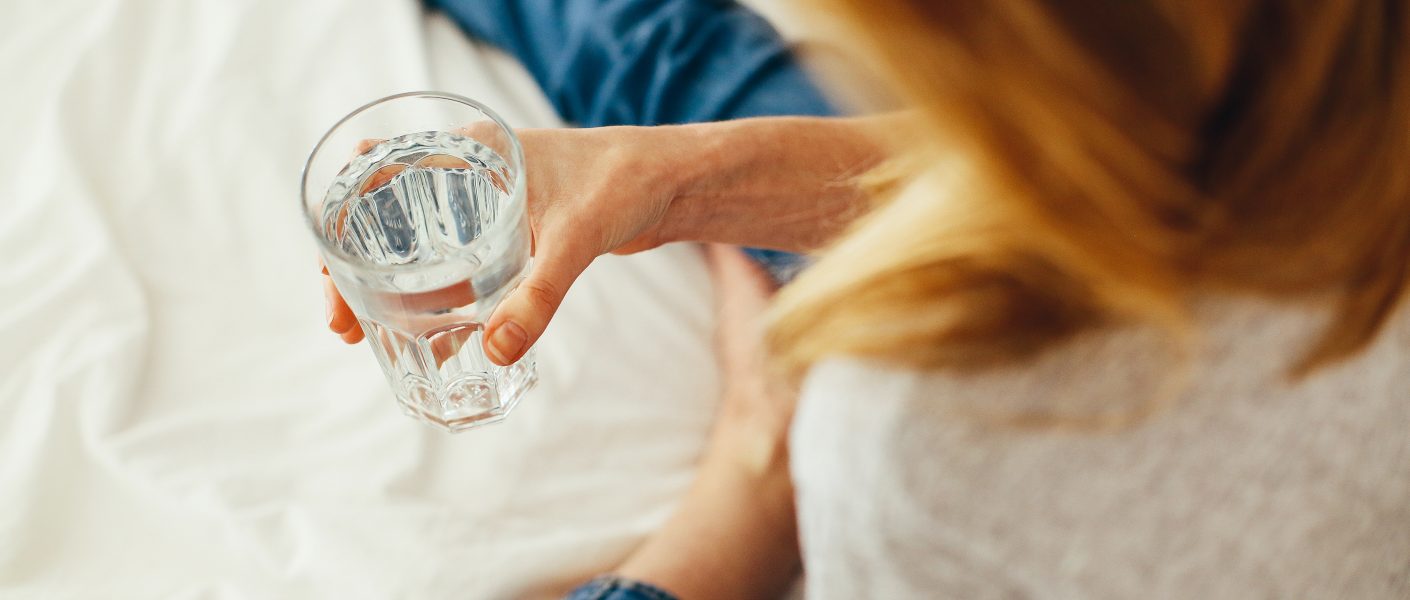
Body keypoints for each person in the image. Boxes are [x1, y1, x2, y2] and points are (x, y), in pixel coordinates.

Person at [325, 0, 1410, 598]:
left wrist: (754, 485)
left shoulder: (923, 445)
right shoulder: (1338, 75)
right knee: (675, 61)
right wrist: (679, 178)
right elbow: (1146, 166)